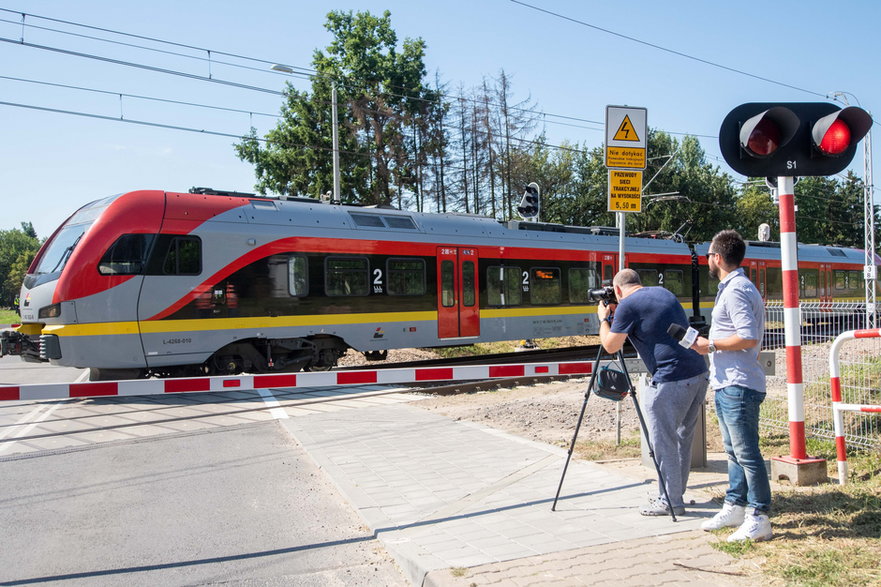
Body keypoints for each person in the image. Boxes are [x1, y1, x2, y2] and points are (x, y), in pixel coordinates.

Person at [597, 268, 708, 516]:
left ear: (617, 290)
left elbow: (611, 345)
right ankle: (674, 496)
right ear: (639, 282)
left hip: (671, 380)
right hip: (698, 373)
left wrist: (604, 319)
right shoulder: (663, 292)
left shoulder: (627, 306)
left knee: (663, 442)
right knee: (682, 439)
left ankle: (670, 501)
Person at [692, 229, 772, 542]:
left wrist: (709, 346)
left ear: (719, 258)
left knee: (747, 453)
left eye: (710, 254)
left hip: (739, 383)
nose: (708, 259)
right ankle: (736, 505)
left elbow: (748, 336)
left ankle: (759, 515)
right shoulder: (734, 287)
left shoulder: (737, 289)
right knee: (733, 451)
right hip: (728, 382)